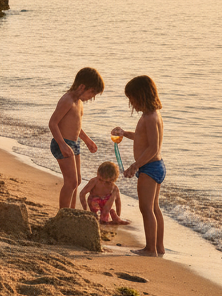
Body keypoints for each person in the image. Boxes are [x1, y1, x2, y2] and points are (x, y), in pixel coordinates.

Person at [112, 75, 165, 256]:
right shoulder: (151, 115)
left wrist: (135, 166)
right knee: (154, 208)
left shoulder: (150, 117)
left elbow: (153, 147)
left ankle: (150, 249)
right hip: (156, 166)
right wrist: (124, 133)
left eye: (132, 99)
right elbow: (142, 138)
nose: (131, 104)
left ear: (141, 96)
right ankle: (159, 247)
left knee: (146, 208)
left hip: (149, 168)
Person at [49, 67, 104, 210]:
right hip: (62, 143)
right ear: (82, 87)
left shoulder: (78, 102)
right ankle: (63, 213)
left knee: (77, 181)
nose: (91, 97)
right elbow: (53, 123)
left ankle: (71, 210)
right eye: (92, 93)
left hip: (74, 144)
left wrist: (87, 140)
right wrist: (62, 144)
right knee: (71, 182)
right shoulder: (67, 100)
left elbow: (76, 126)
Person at [78, 161, 129, 225]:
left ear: (112, 180)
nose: (103, 183)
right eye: (100, 180)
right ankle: (97, 216)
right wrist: (85, 209)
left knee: (112, 209)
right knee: (95, 215)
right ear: (98, 174)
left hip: (105, 206)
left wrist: (118, 215)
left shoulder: (114, 187)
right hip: (94, 201)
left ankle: (113, 218)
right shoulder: (95, 181)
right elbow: (82, 193)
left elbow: (118, 202)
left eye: (107, 182)